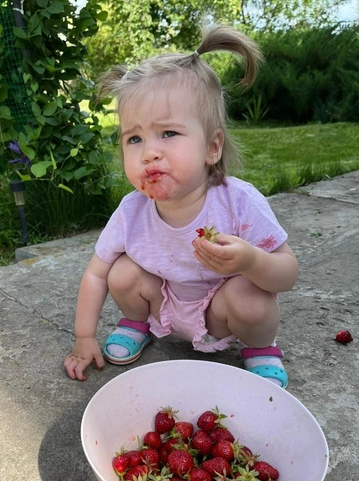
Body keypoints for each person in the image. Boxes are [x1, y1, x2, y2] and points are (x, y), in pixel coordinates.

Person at [64, 23, 299, 387]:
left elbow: (288, 273)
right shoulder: (132, 210)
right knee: (120, 271)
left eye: (168, 133)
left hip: (221, 311)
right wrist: (83, 337)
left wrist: (251, 261)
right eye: (134, 138)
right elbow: (95, 274)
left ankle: (261, 348)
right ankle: (136, 322)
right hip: (165, 305)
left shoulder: (237, 202)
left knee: (251, 295)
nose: (149, 152)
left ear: (212, 147)